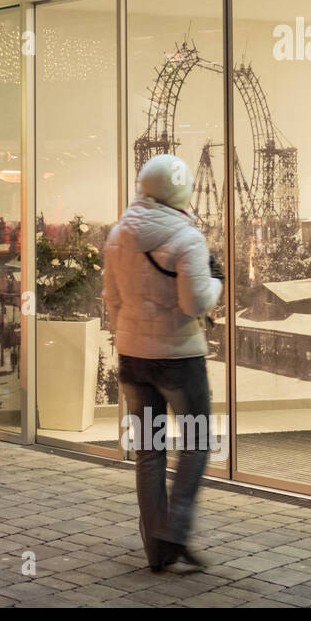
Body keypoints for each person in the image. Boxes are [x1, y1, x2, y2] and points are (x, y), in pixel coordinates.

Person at [102, 153, 223, 574]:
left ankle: (155, 548)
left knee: (149, 452)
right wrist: (217, 281)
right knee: (196, 443)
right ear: (181, 191)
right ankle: (175, 531)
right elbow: (194, 302)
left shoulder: (118, 235)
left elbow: (112, 300)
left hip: (133, 360)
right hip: (179, 361)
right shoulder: (188, 239)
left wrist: (131, 336)